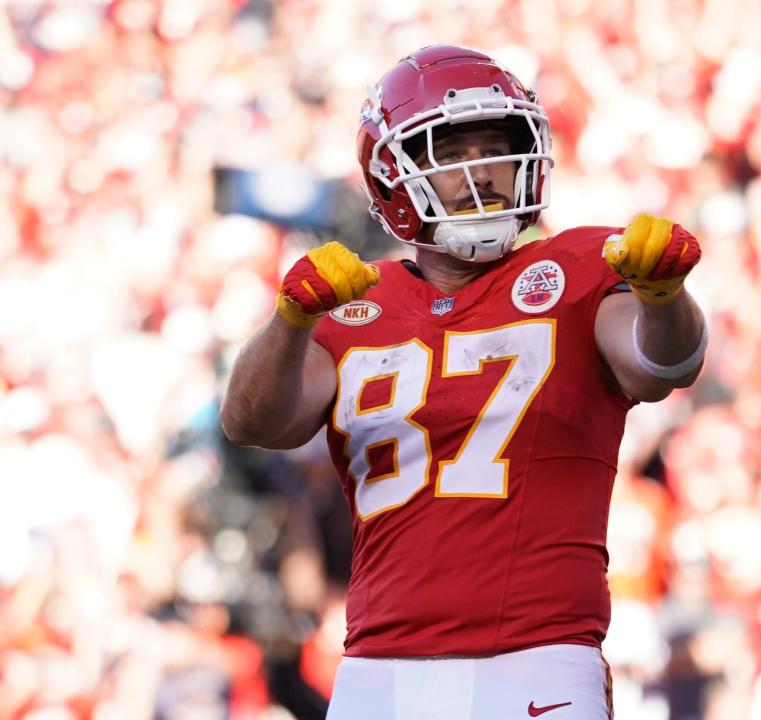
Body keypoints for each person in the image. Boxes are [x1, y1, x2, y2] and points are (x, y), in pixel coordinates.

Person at [220, 45, 707, 719]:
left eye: (496, 146)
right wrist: (289, 322)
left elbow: (662, 365)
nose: (485, 169)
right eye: (452, 152)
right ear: (393, 174)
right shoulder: (353, 302)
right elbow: (251, 422)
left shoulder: (579, 266)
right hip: (377, 667)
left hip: (537, 655)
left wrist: (664, 298)